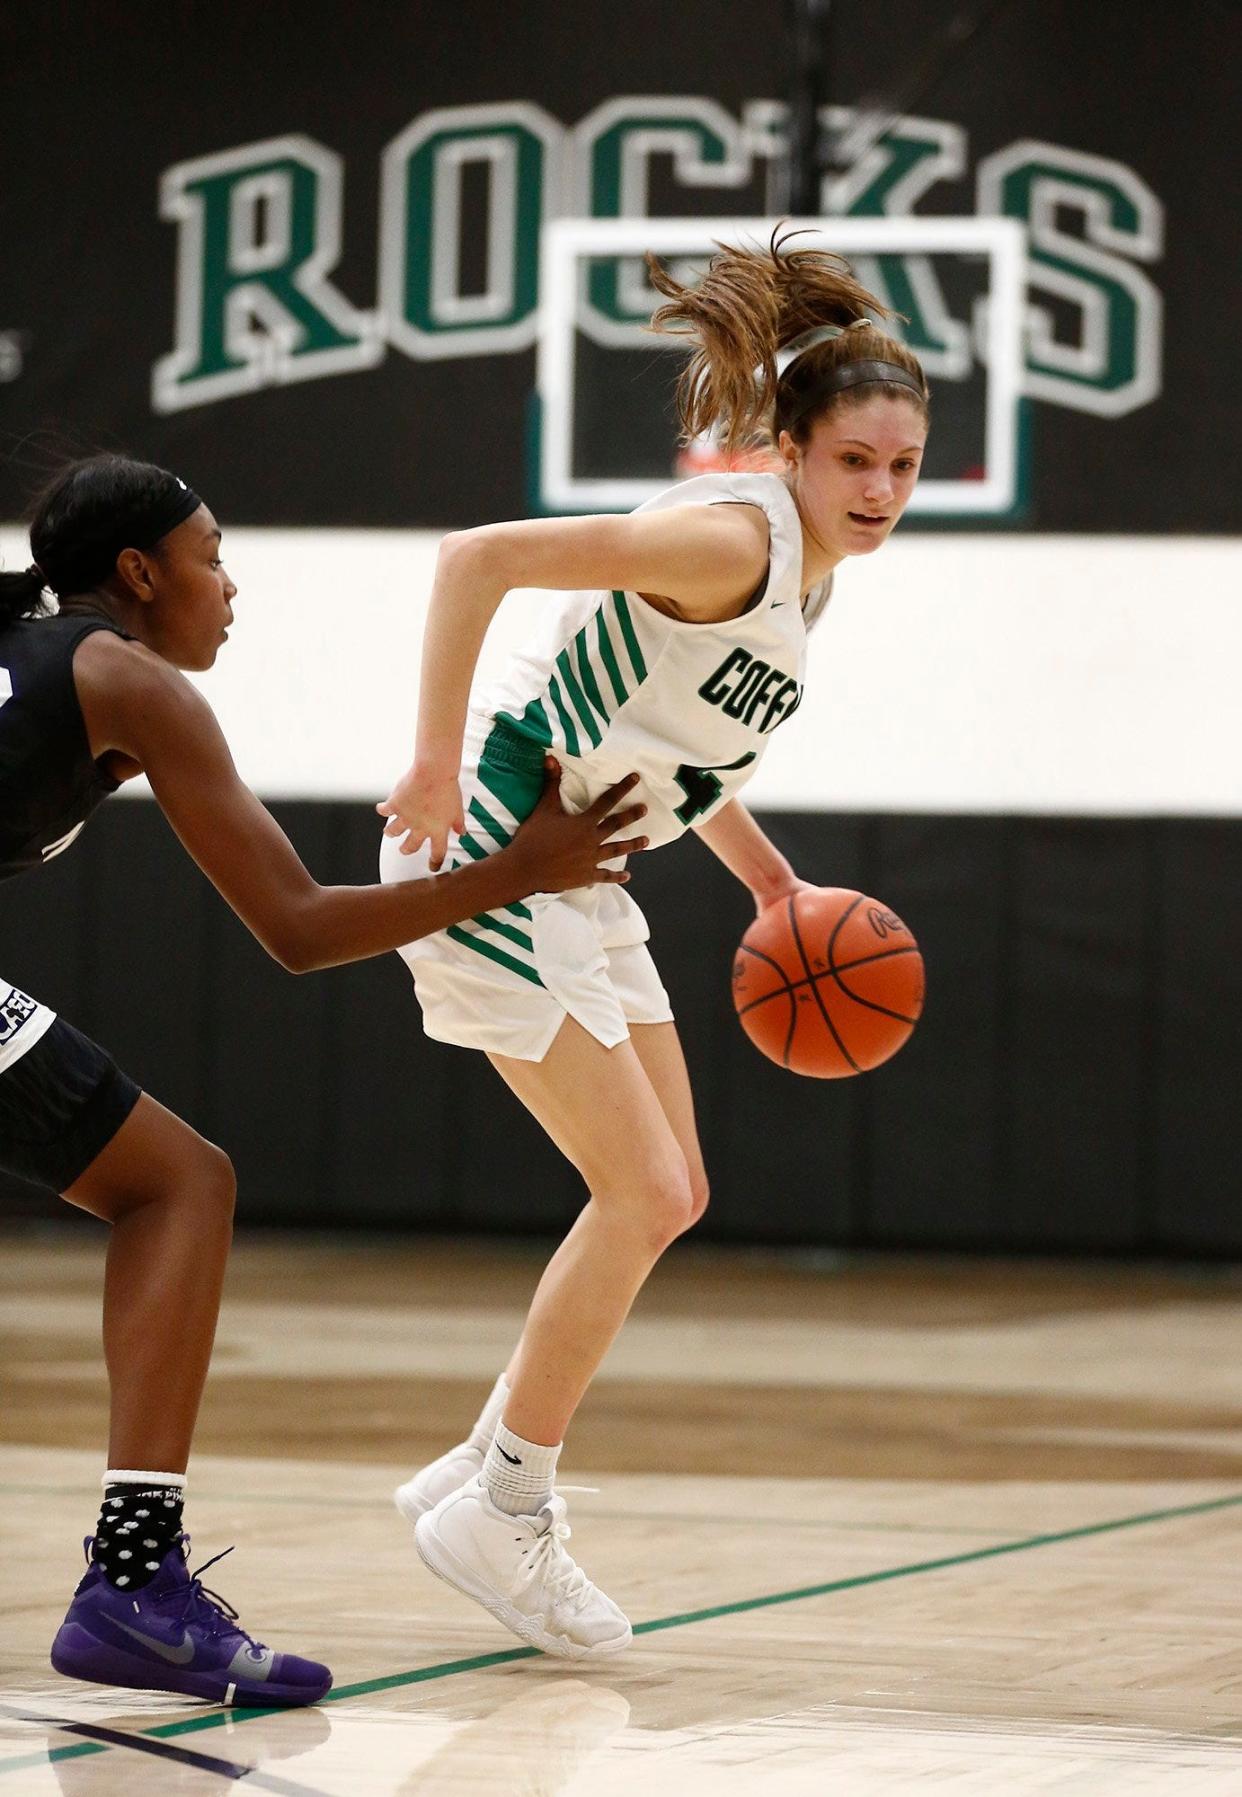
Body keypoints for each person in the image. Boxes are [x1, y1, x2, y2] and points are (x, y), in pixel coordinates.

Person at [0, 453, 647, 1707]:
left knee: (172, 1182)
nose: (232, 588)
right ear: (138, 576)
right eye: (212, 555)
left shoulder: (52, 664)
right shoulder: (124, 676)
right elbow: (297, 927)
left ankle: (134, 1581)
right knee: (179, 1188)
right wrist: (523, 868)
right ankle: (134, 1582)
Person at [377, 232, 930, 1658]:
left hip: (587, 868)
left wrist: (760, 878)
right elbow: (474, 557)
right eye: (854, 462)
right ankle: (506, 1503)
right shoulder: (729, 539)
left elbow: (683, 741)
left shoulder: (808, 574)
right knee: (637, 1190)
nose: (877, 492)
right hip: (494, 850)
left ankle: (486, 1463)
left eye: (900, 468)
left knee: (670, 1193)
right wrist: (433, 768)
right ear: (794, 454)